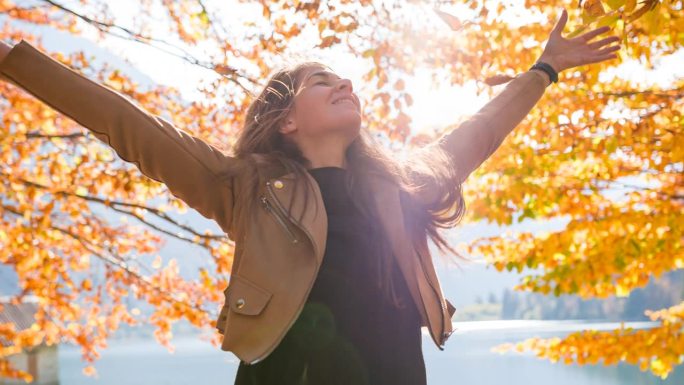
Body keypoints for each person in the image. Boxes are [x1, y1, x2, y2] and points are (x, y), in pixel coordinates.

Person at [0, 8, 619, 385]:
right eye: (320, 81)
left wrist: (544, 70)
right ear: (286, 121)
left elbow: (478, 133)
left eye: (342, 77)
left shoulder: (403, 185)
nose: (343, 81)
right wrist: (16, 61)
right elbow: (131, 125)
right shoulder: (243, 187)